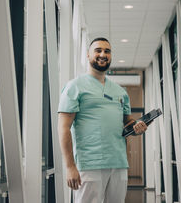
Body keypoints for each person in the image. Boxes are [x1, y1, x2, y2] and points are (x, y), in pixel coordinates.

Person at [58, 37, 148, 203]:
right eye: (98, 50)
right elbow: (63, 128)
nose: (103, 54)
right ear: (88, 55)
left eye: (107, 51)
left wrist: (136, 127)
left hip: (119, 163)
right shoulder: (74, 87)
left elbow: (127, 123)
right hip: (89, 164)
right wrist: (70, 166)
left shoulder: (120, 92)